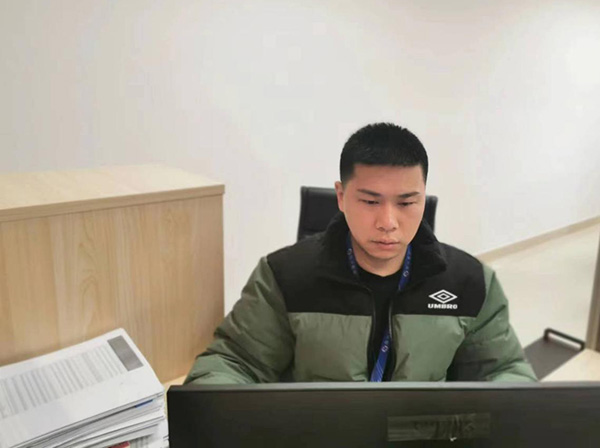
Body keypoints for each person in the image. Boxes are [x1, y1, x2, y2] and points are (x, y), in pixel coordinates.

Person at [185, 123, 536, 384]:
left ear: (423, 197)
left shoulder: (469, 282)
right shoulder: (284, 276)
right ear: (341, 196)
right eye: (369, 201)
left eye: (406, 203)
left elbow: (504, 372)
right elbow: (234, 363)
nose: (388, 223)